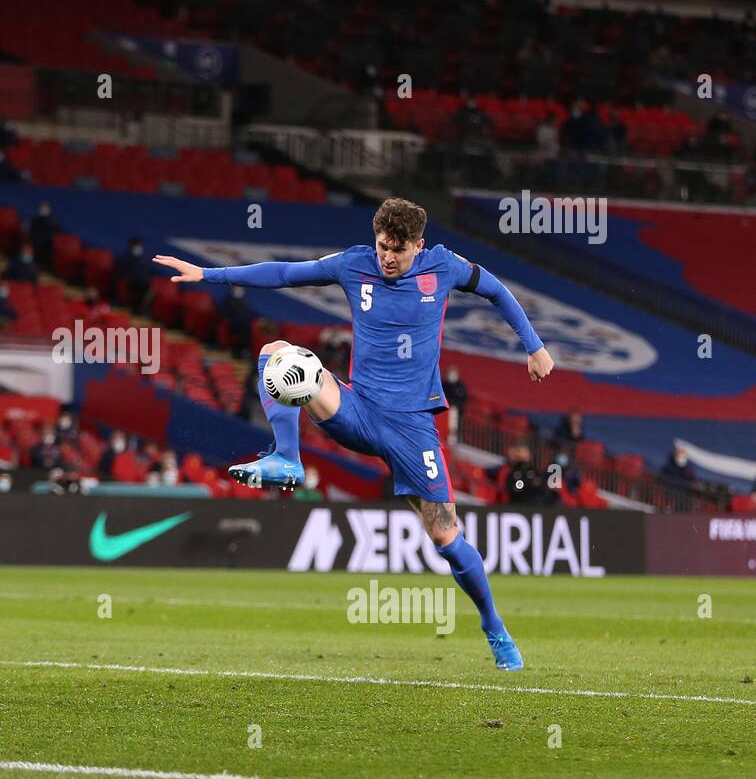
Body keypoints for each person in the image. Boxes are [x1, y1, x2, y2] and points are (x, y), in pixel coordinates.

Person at [154, 197, 555, 672]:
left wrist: (534, 346)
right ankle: (286, 457)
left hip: (413, 426)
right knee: (277, 352)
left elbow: (498, 292)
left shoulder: (443, 266)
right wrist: (209, 275)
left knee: (446, 536)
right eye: (383, 246)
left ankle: (494, 627)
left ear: (418, 247)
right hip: (358, 408)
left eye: (398, 251)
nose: (388, 257)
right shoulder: (353, 264)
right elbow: (284, 273)